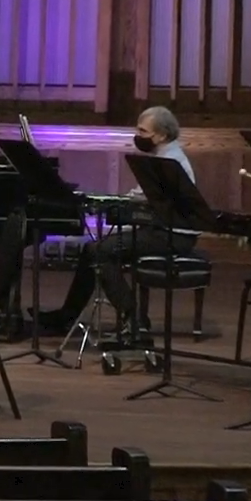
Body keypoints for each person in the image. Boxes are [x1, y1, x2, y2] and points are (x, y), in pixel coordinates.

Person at [47, 106, 198, 334]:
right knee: (93, 249)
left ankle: (134, 319)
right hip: (159, 229)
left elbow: (145, 200)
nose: (137, 136)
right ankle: (67, 315)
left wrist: (119, 204)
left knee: (100, 251)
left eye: (143, 131)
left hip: (172, 235)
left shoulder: (170, 162)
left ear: (162, 135)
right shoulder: (164, 156)